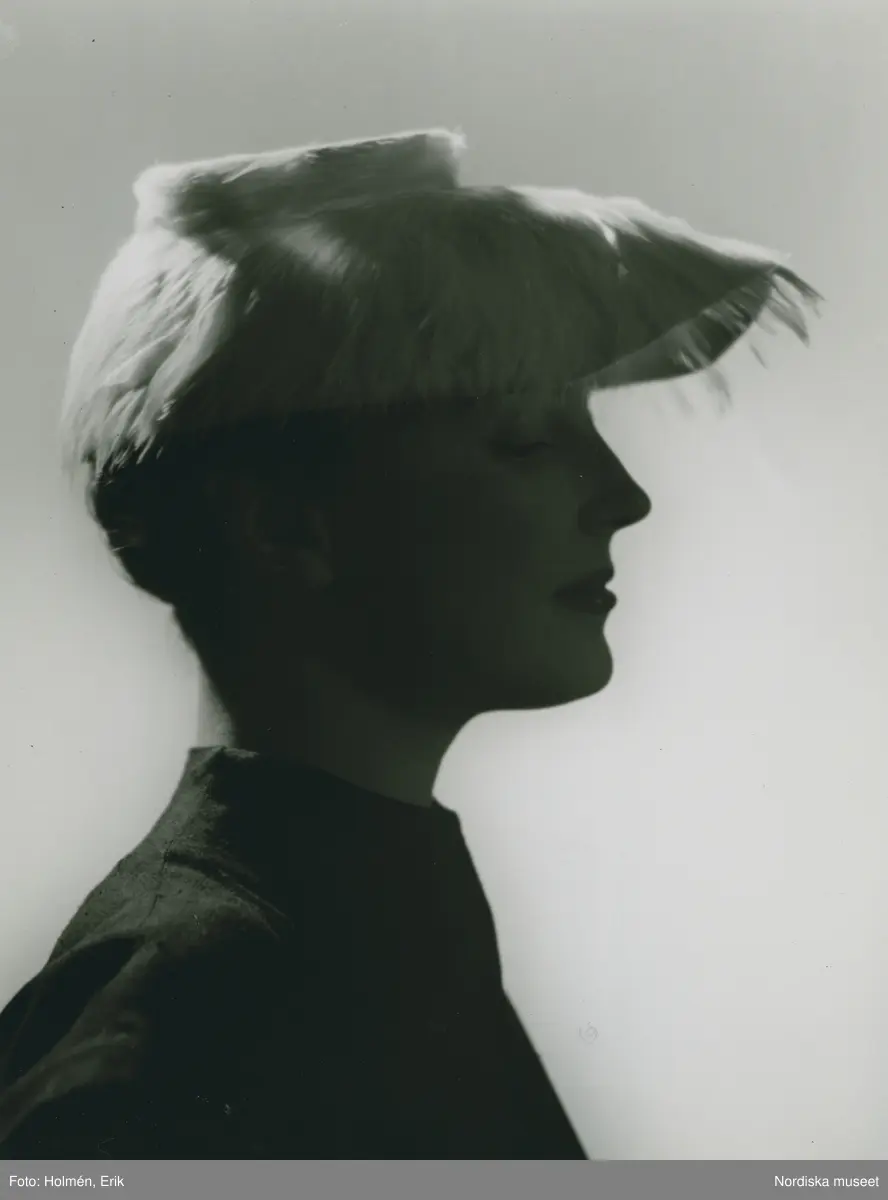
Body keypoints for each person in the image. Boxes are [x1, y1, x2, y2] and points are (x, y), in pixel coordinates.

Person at [0, 128, 819, 1159]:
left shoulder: (337, 935)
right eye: (525, 439)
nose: (622, 496)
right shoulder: (197, 1018)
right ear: (283, 525)